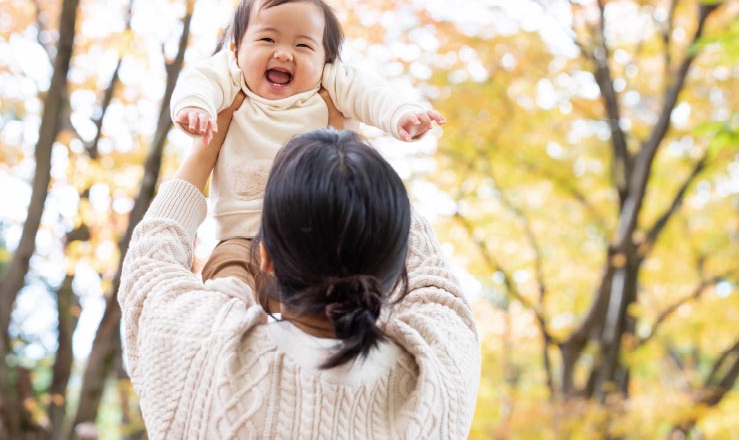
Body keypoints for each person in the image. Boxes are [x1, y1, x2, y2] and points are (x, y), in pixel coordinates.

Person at [118, 98, 481, 440]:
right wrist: (349, 156)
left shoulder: (200, 352)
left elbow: (150, 261)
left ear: (266, 258)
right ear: (394, 263)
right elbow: (433, 277)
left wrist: (210, 144)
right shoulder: (440, 375)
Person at [169, 0, 445, 297]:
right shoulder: (231, 78)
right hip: (239, 236)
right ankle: (227, 313)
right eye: (267, 39)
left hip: (313, 237)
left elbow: (373, 95)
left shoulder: (330, 82)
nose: (284, 53)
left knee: (323, 294)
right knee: (226, 283)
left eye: (303, 46)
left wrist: (403, 115)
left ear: (326, 60)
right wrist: (195, 108)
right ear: (236, 50)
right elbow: (199, 83)